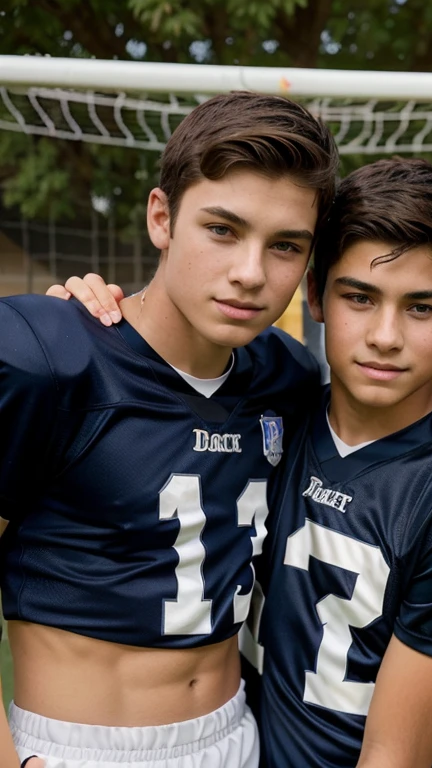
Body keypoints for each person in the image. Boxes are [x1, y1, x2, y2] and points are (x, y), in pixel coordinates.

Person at [56, 157, 432, 768]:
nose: (385, 335)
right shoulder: (271, 410)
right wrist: (86, 324)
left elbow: (394, 757)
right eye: (360, 297)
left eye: (420, 307)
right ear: (315, 295)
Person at [0, 89, 338, 768]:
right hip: (74, 749)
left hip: (237, 735)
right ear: (162, 217)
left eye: (285, 246)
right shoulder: (45, 357)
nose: (249, 273)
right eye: (222, 229)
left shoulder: (289, 378)